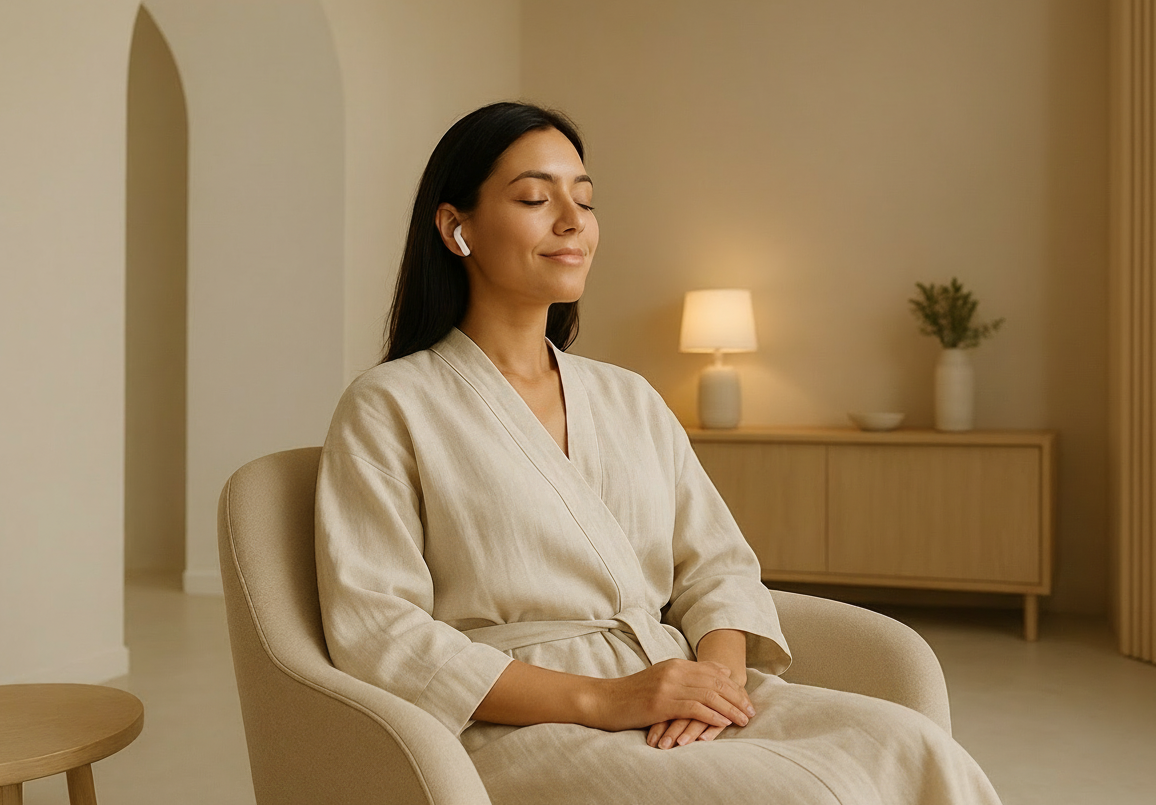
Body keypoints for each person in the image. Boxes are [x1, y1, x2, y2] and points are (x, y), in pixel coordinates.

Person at [314, 101, 1003, 804]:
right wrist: (607, 699)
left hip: (680, 688)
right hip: (521, 725)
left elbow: (719, 568)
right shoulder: (390, 406)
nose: (572, 220)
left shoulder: (630, 399)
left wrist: (717, 683)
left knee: (914, 747)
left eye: (584, 199)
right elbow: (382, 633)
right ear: (456, 226)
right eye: (533, 197)